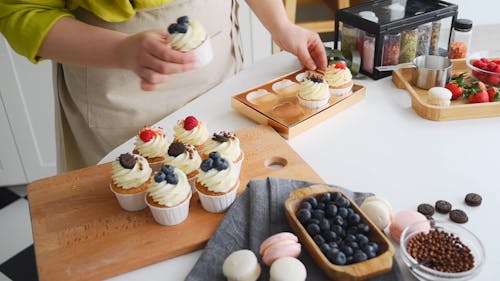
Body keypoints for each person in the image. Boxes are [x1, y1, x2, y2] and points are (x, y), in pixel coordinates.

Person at [0, 0, 327, 172]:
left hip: (217, 61)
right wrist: (119, 51)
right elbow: (23, 11)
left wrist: (281, 25)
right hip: (114, 82)